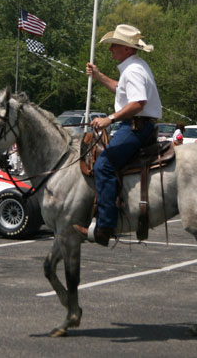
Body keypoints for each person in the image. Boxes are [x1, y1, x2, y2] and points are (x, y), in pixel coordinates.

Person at [75, 24, 162, 246]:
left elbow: (138, 102)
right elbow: (121, 90)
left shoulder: (133, 70)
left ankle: (105, 226)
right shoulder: (134, 66)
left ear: (126, 48)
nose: (111, 48)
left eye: (115, 45)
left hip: (135, 127)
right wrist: (98, 76)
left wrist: (109, 119)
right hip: (137, 125)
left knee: (104, 164)